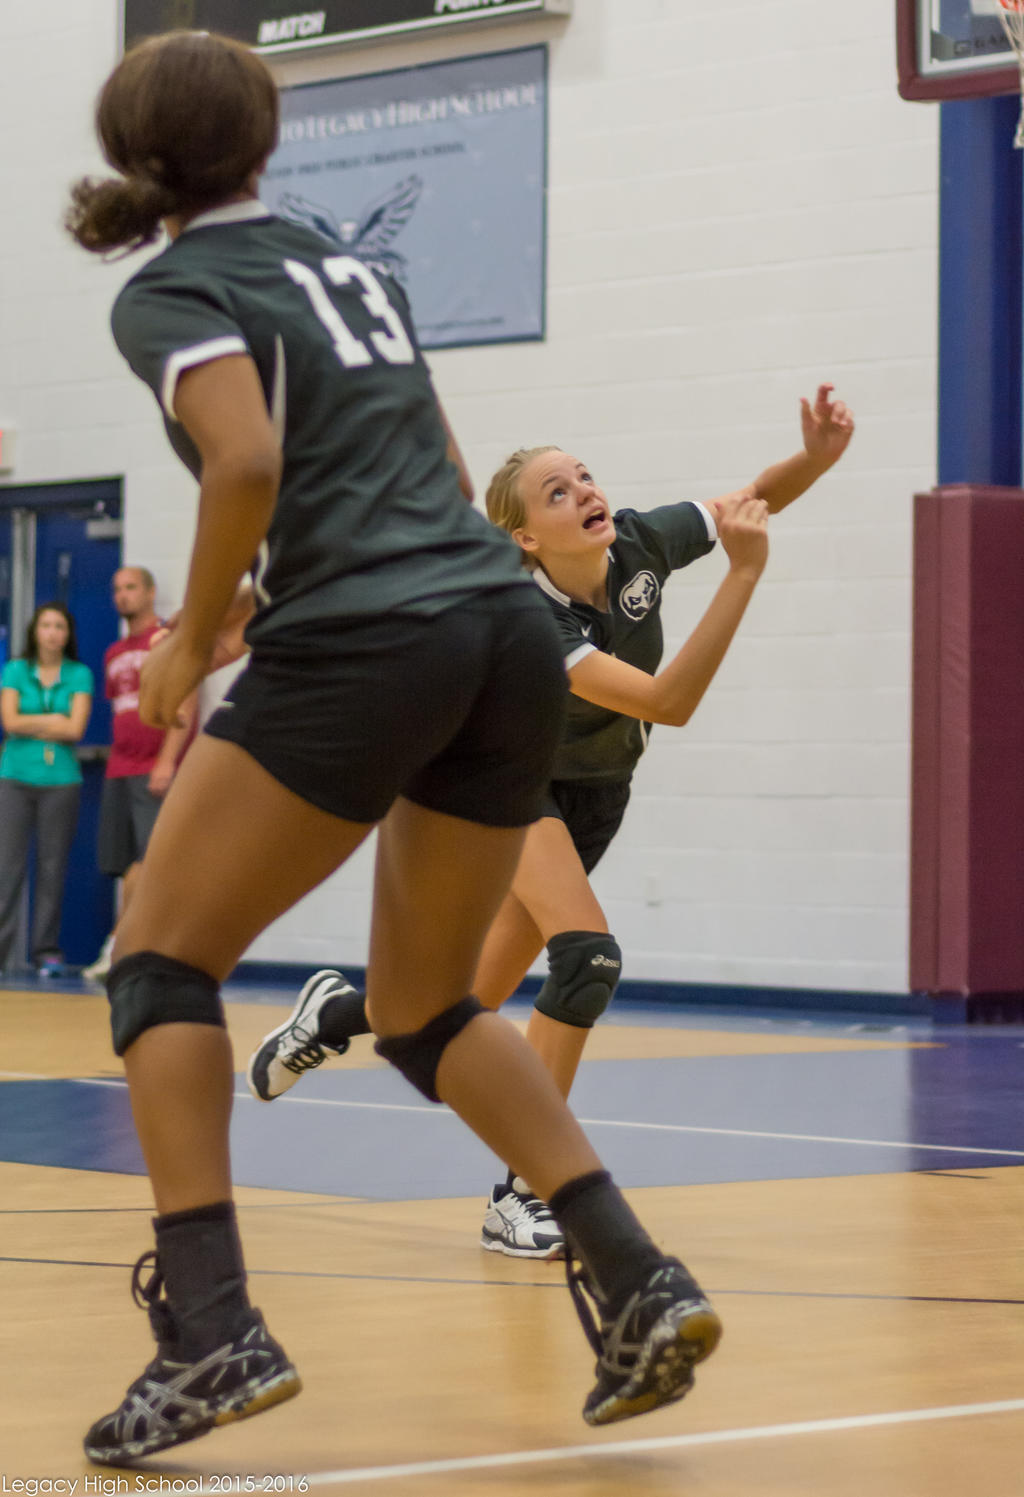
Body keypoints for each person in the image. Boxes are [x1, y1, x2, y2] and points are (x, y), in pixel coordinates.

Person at [66, 30, 723, 1465]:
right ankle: (635, 1277)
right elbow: (428, 469)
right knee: (425, 1006)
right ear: (264, 142)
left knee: (158, 962)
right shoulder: (348, 267)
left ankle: (210, 1327)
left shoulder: (172, 290)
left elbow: (247, 460)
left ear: (136, 156)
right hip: (498, 631)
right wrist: (263, 606)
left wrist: (190, 638)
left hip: (373, 633)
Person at [247, 385, 855, 1259]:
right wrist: (745, 575)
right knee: (588, 959)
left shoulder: (642, 542)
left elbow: (748, 501)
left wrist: (814, 461)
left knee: (454, 1007)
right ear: (525, 537)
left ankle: (336, 1013)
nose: (585, 492)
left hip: (598, 792)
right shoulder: (531, 616)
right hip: (509, 781)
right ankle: (523, 1194)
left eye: (585, 476)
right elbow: (668, 702)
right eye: (557, 492)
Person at [82, 565, 196, 981]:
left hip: (153, 768)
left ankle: (123, 947)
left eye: (130, 587)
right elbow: (122, 709)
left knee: (153, 861)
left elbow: (186, 704)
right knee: (129, 865)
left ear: (150, 592)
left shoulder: (166, 640)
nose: (122, 595)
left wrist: (166, 761)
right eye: (117, 589)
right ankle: (124, 946)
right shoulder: (113, 652)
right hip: (119, 768)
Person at [0, 603, 94, 975]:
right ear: (34, 631)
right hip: (14, 777)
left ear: (68, 634)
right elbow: (9, 722)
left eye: (59, 626)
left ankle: (45, 951)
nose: (52, 633)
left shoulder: (80, 673)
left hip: (61, 782)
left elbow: (75, 729)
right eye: (46, 625)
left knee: (53, 868)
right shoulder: (15, 669)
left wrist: (32, 723)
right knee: (7, 867)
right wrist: (54, 719)